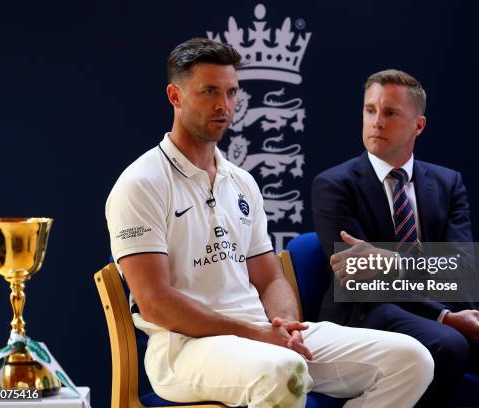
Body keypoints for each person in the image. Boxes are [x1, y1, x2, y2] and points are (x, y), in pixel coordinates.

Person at [105, 39, 433, 408]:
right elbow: (153, 302)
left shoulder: (241, 182)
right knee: (285, 370)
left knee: (412, 360)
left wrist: (285, 326)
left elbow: (269, 278)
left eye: (231, 93)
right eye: (209, 92)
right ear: (175, 96)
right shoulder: (142, 183)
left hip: (261, 338)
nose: (223, 106)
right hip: (185, 350)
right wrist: (255, 333)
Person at [311, 69, 479, 407]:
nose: (376, 122)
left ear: (418, 125)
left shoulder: (447, 182)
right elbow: (358, 277)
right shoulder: (334, 184)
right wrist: (445, 316)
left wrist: (393, 263)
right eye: (370, 110)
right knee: (449, 342)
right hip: (371, 313)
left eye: (390, 112)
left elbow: (460, 269)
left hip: (452, 310)